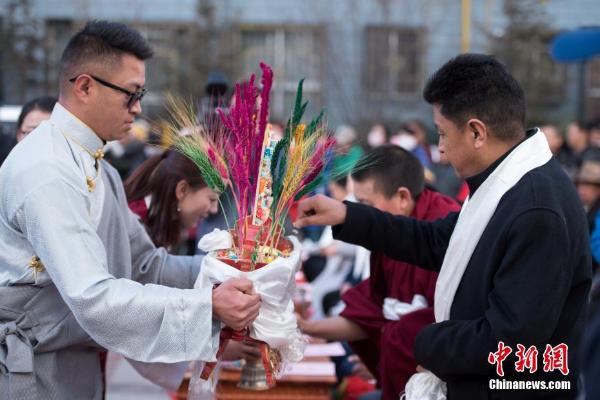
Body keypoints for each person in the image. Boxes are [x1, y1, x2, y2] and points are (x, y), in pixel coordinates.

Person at [294, 54, 590, 399]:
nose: (441, 151)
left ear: (477, 132)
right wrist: (348, 215)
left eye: (443, 134)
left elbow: (509, 339)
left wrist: (422, 340)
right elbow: (437, 240)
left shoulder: (537, 208)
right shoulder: (505, 182)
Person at [0, 21, 259, 400]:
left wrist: (229, 265)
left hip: (76, 363)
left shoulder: (97, 166)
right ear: (85, 86)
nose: (137, 109)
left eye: (141, 94)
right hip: (37, 369)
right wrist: (207, 308)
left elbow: (144, 265)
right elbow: (93, 298)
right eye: (130, 95)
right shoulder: (47, 169)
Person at [299, 145, 459, 400]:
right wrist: (304, 326)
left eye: (365, 204)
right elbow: (372, 312)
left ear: (403, 197)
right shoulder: (392, 236)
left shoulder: (445, 233)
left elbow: (433, 325)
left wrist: (387, 354)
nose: (362, 211)